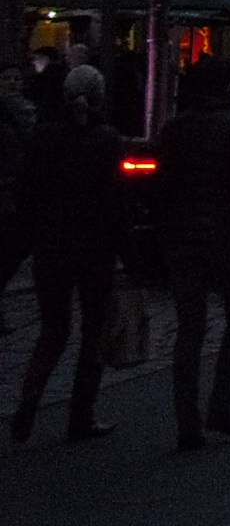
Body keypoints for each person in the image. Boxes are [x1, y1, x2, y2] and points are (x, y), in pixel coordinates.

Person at [154, 56, 230, 452]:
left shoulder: (175, 128)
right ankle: (221, 405)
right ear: (227, 87)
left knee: (189, 328)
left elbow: (162, 187)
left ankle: (188, 421)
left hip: (184, 238)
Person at [10, 65, 126, 444]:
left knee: (52, 330)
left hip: (51, 246)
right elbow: (114, 202)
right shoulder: (106, 140)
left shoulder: (42, 138)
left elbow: (26, 193)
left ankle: (27, 404)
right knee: (93, 332)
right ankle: (81, 414)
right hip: (94, 248)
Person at [0, 63, 34, 336]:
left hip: (19, 189)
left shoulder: (28, 111)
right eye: (7, 78)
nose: (13, 83)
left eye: (16, 78)